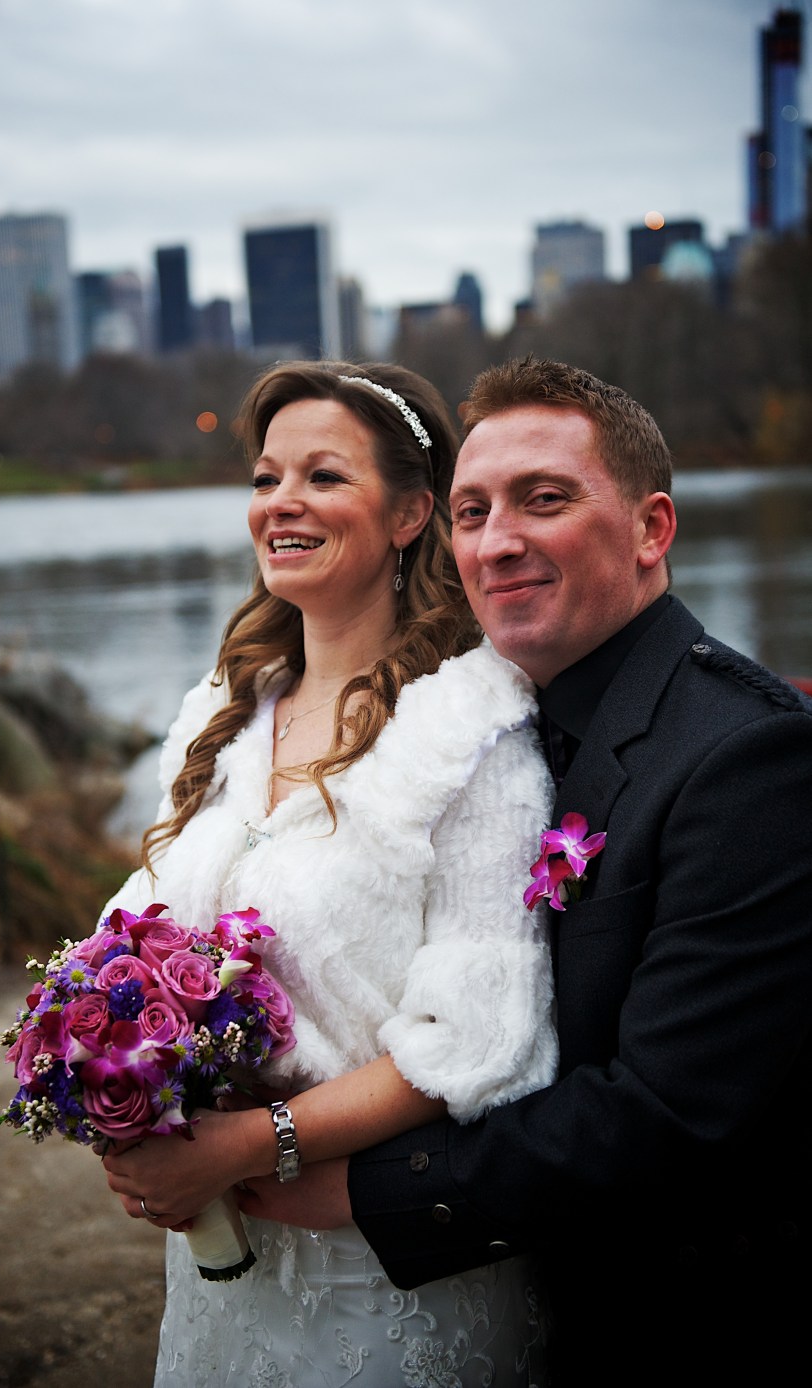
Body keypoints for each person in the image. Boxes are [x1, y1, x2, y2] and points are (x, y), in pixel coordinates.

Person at [236, 357, 812, 1386]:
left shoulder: (748, 757)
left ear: (652, 529)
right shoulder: (478, 727)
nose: (497, 541)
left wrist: (348, 1185)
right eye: (472, 510)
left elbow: (665, 1114)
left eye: (545, 500)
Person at [100, 361, 558, 1386]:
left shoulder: (471, 729)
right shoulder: (225, 709)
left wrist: (244, 1144)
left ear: (409, 513)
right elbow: (141, 930)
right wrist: (115, 1079)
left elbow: (477, 1042)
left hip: (389, 1269)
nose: (282, 504)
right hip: (230, 1273)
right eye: (266, 479)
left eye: (322, 476)